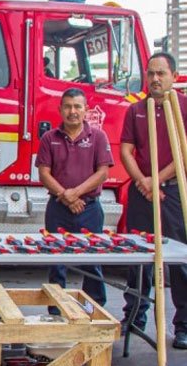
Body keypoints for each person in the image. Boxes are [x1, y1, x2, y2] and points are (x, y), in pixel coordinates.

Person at [120, 52, 187, 349]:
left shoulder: (183, 106)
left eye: (161, 73)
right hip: (142, 190)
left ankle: (183, 325)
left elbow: (184, 152)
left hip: (173, 190)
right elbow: (126, 150)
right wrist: (143, 182)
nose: (155, 79)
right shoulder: (135, 109)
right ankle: (135, 315)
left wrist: (157, 181)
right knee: (138, 256)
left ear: (173, 76)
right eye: (151, 74)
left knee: (178, 260)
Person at [35, 88, 111, 313]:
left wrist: (75, 193)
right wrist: (66, 197)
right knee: (57, 261)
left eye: (78, 106)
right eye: (67, 106)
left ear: (86, 110)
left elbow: (103, 173)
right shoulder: (49, 138)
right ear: (60, 110)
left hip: (89, 209)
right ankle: (56, 310)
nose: (73, 111)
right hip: (58, 208)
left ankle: (93, 309)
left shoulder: (98, 137)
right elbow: (44, 174)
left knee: (92, 261)